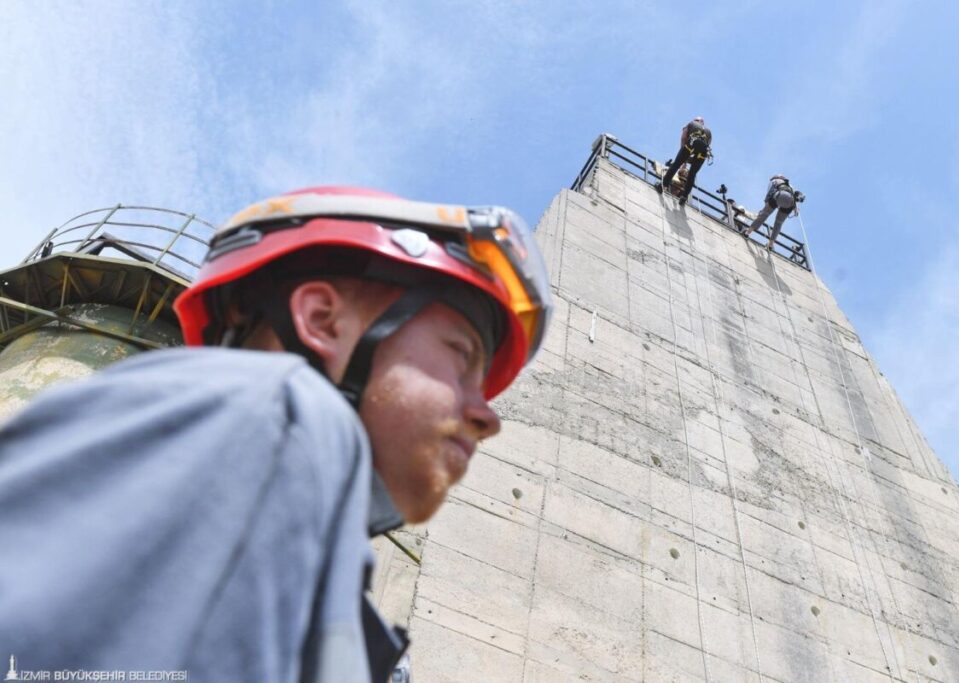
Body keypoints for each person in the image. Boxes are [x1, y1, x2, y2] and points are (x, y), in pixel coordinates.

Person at [0, 186, 552, 683]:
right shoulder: (279, 415)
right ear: (323, 321)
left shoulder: (327, 581)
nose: (488, 416)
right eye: (461, 356)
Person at [742, 174, 806, 251]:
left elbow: (770, 191)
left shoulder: (775, 180)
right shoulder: (790, 185)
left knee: (764, 215)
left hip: (779, 195)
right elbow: (794, 197)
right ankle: (770, 245)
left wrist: (766, 203)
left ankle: (747, 232)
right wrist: (795, 209)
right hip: (791, 203)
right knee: (779, 223)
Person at [657, 116, 712, 202]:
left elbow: (683, 138)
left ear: (695, 120)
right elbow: (708, 145)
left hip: (692, 144)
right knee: (692, 174)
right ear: (702, 122)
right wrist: (692, 159)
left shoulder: (691, 124)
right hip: (703, 152)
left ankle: (663, 185)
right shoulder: (708, 132)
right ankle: (684, 196)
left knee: (676, 164)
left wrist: (683, 154)